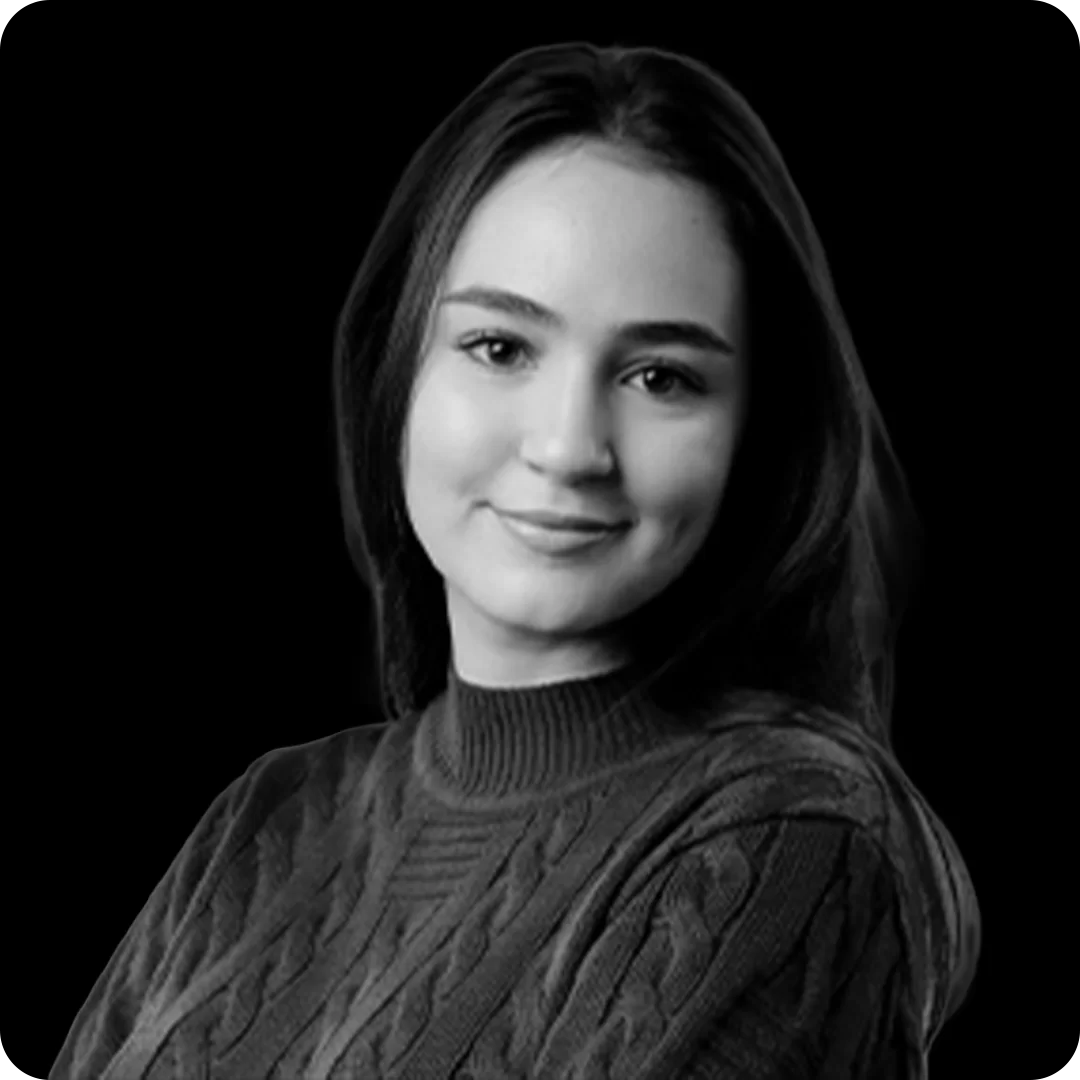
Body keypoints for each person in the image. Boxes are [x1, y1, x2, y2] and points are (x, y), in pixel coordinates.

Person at [52, 40, 981, 1079]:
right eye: (500, 348)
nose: (569, 447)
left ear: (755, 436)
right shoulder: (267, 817)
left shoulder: (787, 841)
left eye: (660, 377)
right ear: (399, 367)